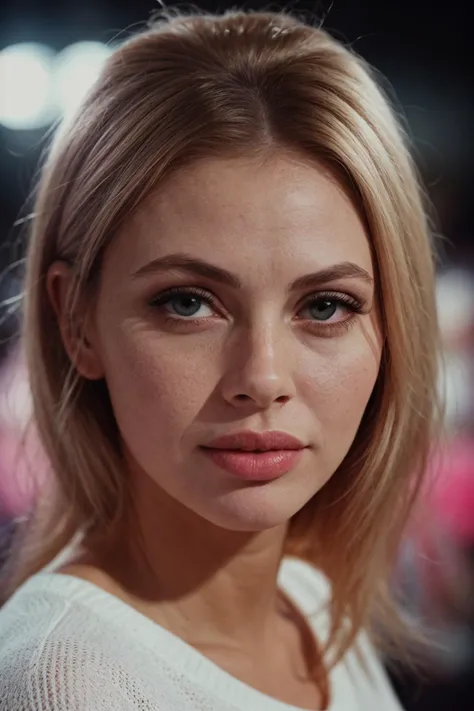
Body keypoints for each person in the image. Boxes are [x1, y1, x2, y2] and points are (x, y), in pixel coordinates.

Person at [0, 9, 441, 711]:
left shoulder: (314, 602)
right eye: (186, 302)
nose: (262, 377)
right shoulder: (66, 680)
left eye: (325, 305)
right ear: (75, 320)